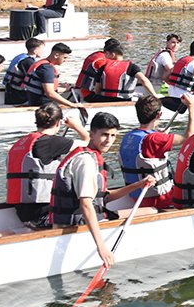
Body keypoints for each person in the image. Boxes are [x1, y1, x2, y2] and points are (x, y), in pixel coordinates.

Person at [50, 113, 158, 268]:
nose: (109, 140)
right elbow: (86, 205)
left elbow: (104, 198)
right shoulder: (86, 161)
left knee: (148, 210)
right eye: (104, 135)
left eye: (113, 135)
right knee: (152, 211)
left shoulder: (87, 155)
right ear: (92, 134)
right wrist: (101, 247)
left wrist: (138, 185)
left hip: (78, 220)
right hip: (74, 226)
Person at [7, 103, 88, 229]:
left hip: (22, 211)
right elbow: (89, 142)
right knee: (90, 210)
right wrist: (76, 126)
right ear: (58, 123)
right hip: (42, 213)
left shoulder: (22, 141)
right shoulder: (50, 142)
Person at [119, 93, 194, 211]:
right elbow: (190, 137)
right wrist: (191, 107)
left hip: (137, 197)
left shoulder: (128, 136)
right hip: (160, 199)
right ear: (159, 114)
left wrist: (161, 136)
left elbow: (149, 146)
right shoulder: (155, 139)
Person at [90, 44, 159, 103]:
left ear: (112, 55)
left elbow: (97, 90)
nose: (105, 58)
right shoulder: (131, 67)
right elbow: (144, 80)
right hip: (125, 100)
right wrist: (155, 95)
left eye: (106, 55)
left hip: (106, 100)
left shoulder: (103, 68)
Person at [23, 42, 84, 109]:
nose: (65, 60)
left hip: (34, 98)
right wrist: (72, 105)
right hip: (43, 103)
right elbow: (50, 94)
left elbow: (46, 87)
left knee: (72, 90)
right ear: (56, 55)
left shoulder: (43, 63)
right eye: (64, 57)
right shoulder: (47, 69)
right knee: (78, 94)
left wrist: (66, 89)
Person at [3, 37, 44, 105]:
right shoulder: (28, 61)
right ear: (35, 50)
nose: (43, 51)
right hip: (18, 95)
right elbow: (35, 79)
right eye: (41, 49)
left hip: (11, 91)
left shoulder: (21, 57)